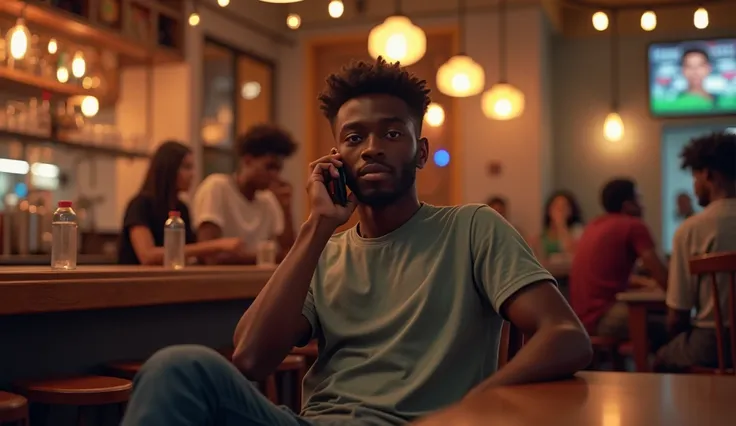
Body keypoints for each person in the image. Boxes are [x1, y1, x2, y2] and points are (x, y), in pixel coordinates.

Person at [121, 57, 592, 426]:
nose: (371, 147)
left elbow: (566, 336)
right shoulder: (322, 251)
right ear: (336, 159)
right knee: (176, 368)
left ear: (420, 151)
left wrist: (472, 407)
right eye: (354, 137)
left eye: (392, 133)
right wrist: (316, 227)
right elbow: (250, 357)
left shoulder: (472, 228)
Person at [656, 131, 736, 371]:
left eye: (694, 177)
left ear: (708, 174)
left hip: (714, 342)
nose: (694, 185)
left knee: (661, 359)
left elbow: (677, 315)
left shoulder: (691, 230)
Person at [569, 178, 669, 343]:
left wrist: (644, 283)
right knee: (671, 325)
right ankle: (654, 368)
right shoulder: (633, 225)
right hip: (604, 317)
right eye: (639, 199)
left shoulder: (593, 226)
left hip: (581, 319)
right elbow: (663, 277)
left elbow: (605, 277)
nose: (642, 205)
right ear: (627, 205)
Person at [117, 141, 242, 265]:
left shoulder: (181, 208)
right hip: (136, 281)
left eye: (192, 168)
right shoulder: (140, 204)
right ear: (168, 169)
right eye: (186, 167)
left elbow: (187, 255)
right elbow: (148, 255)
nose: (192, 174)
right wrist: (216, 245)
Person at [193, 124, 297, 264]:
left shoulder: (268, 200)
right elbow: (210, 257)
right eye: (269, 167)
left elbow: (290, 254)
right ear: (247, 161)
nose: (275, 175)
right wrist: (266, 257)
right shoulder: (217, 187)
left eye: (278, 169)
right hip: (219, 282)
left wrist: (286, 208)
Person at [531, 191, 584, 262]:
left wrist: (561, 226)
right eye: (556, 206)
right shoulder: (541, 237)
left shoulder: (577, 231)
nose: (560, 210)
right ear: (549, 210)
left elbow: (573, 253)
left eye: (564, 207)